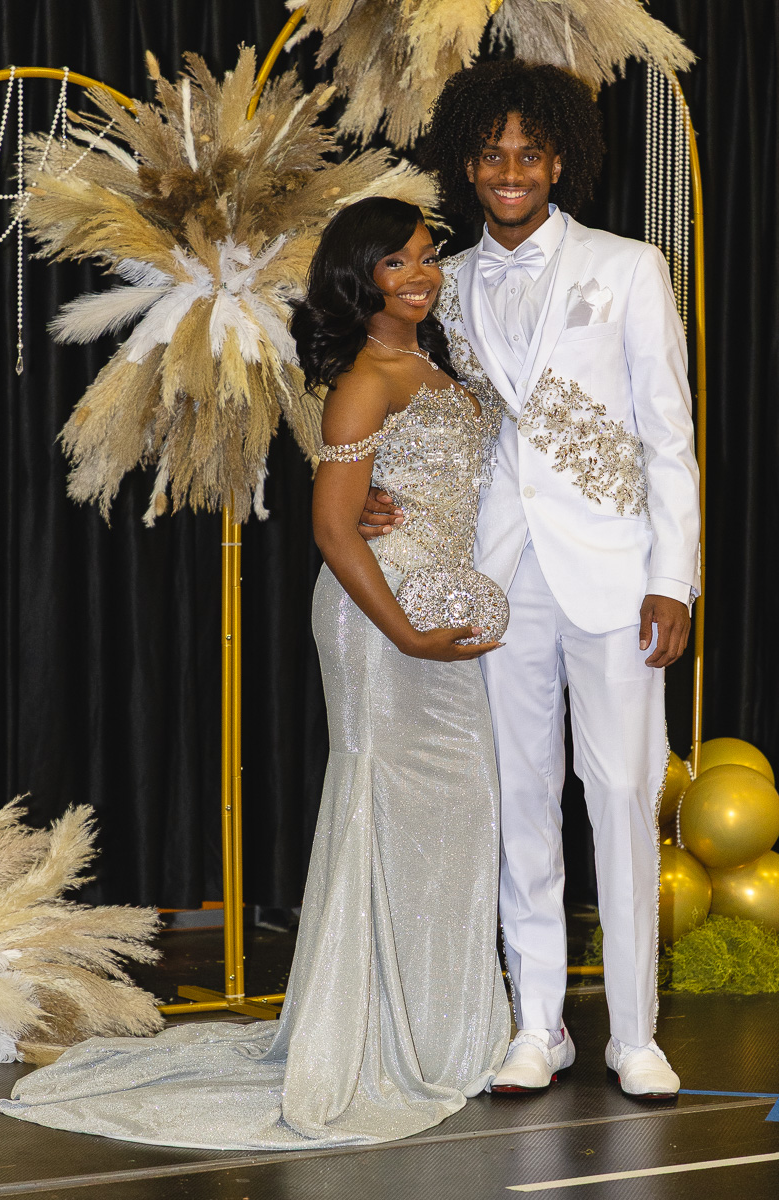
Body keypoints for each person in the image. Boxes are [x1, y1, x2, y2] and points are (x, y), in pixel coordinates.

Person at [0, 197, 511, 1149]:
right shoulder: (365, 378)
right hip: (380, 622)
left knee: (451, 815)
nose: (421, 274)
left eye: (425, 257)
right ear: (362, 282)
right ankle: (368, 1038)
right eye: (396, 264)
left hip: (428, 615)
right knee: (378, 806)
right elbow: (329, 524)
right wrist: (401, 631)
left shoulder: (440, 361)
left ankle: (439, 1027)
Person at [361, 61, 701, 1100]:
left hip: (614, 576)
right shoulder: (441, 282)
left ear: (559, 160)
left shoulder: (629, 266)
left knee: (618, 796)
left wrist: (672, 579)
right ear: (466, 164)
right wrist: (374, 498)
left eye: (528, 153)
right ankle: (538, 1023)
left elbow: (667, 436)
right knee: (518, 804)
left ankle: (633, 1032)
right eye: (491, 154)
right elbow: (415, 411)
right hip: (499, 575)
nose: (509, 171)